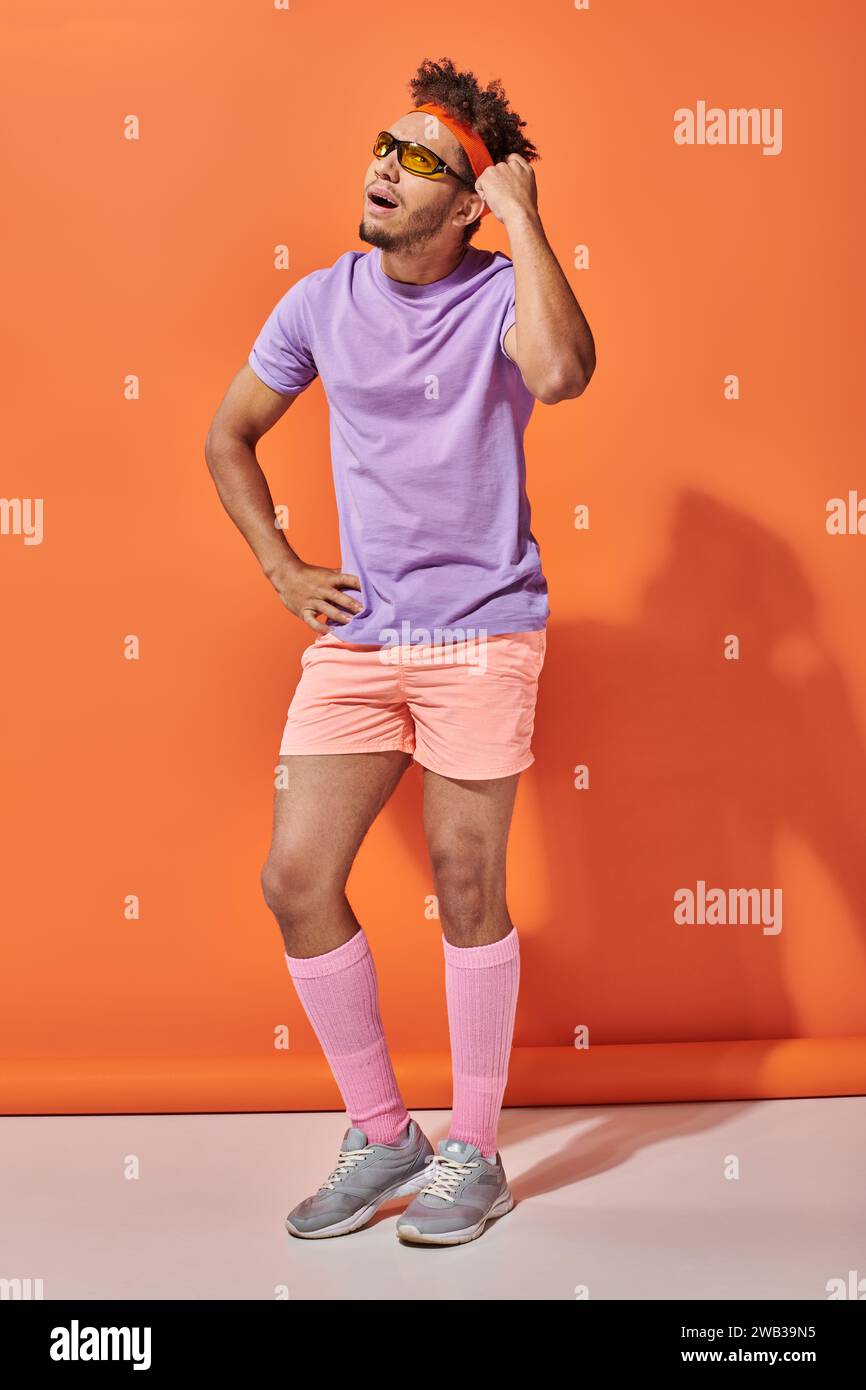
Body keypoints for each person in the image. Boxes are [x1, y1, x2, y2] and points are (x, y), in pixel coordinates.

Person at [204, 56, 595, 1246]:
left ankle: (473, 1150)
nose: (384, 167)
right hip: (361, 640)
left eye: (421, 160)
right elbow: (229, 436)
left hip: (481, 631)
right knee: (294, 879)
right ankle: (386, 1136)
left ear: (469, 203)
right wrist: (280, 565)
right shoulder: (320, 300)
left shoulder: (498, 294)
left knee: (465, 884)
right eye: (384, 147)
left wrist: (524, 215)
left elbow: (562, 372)